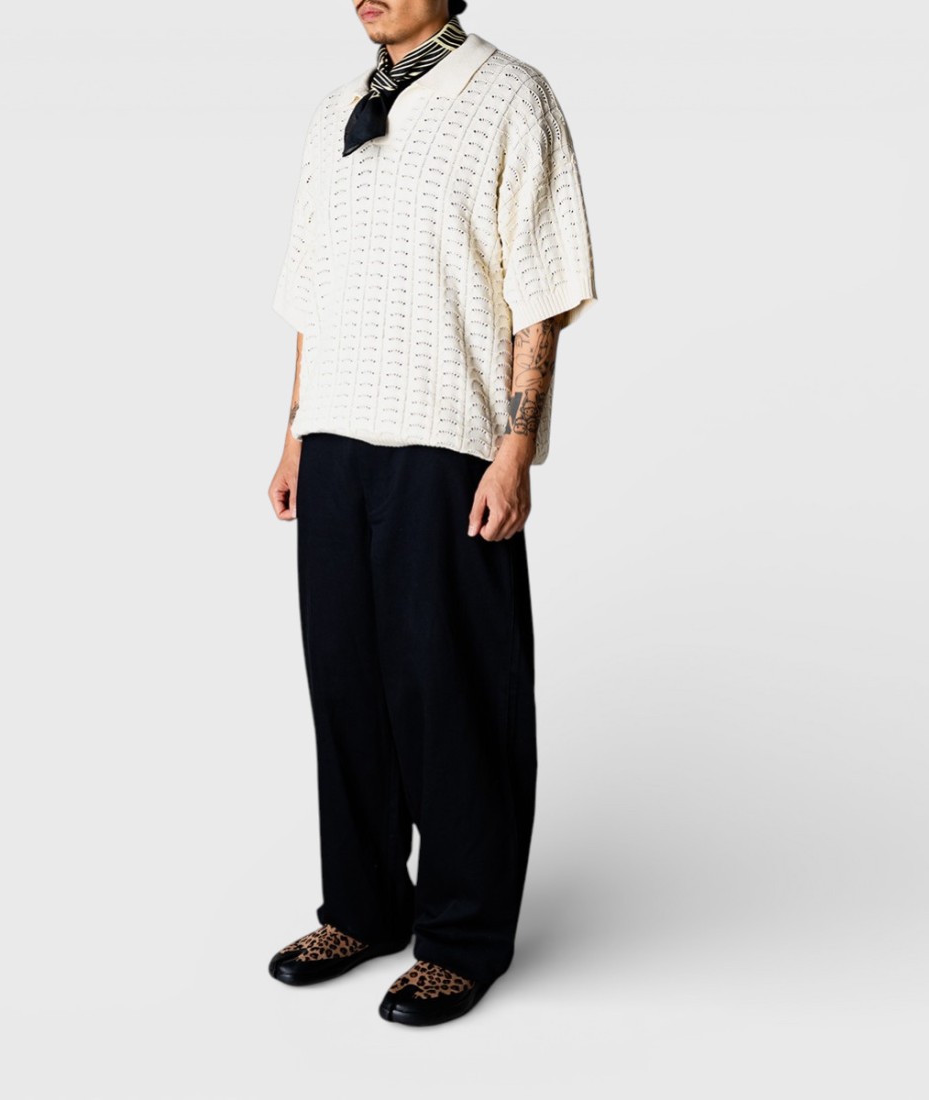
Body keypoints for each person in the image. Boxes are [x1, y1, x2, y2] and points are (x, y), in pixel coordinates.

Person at [266, 0, 596, 1026]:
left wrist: (515, 448)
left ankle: (462, 937)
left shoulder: (509, 96)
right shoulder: (337, 109)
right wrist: (295, 431)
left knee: (453, 691)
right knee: (347, 685)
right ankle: (362, 907)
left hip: (448, 438)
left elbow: (539, 290)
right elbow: (313, 288)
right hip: (335, 437)